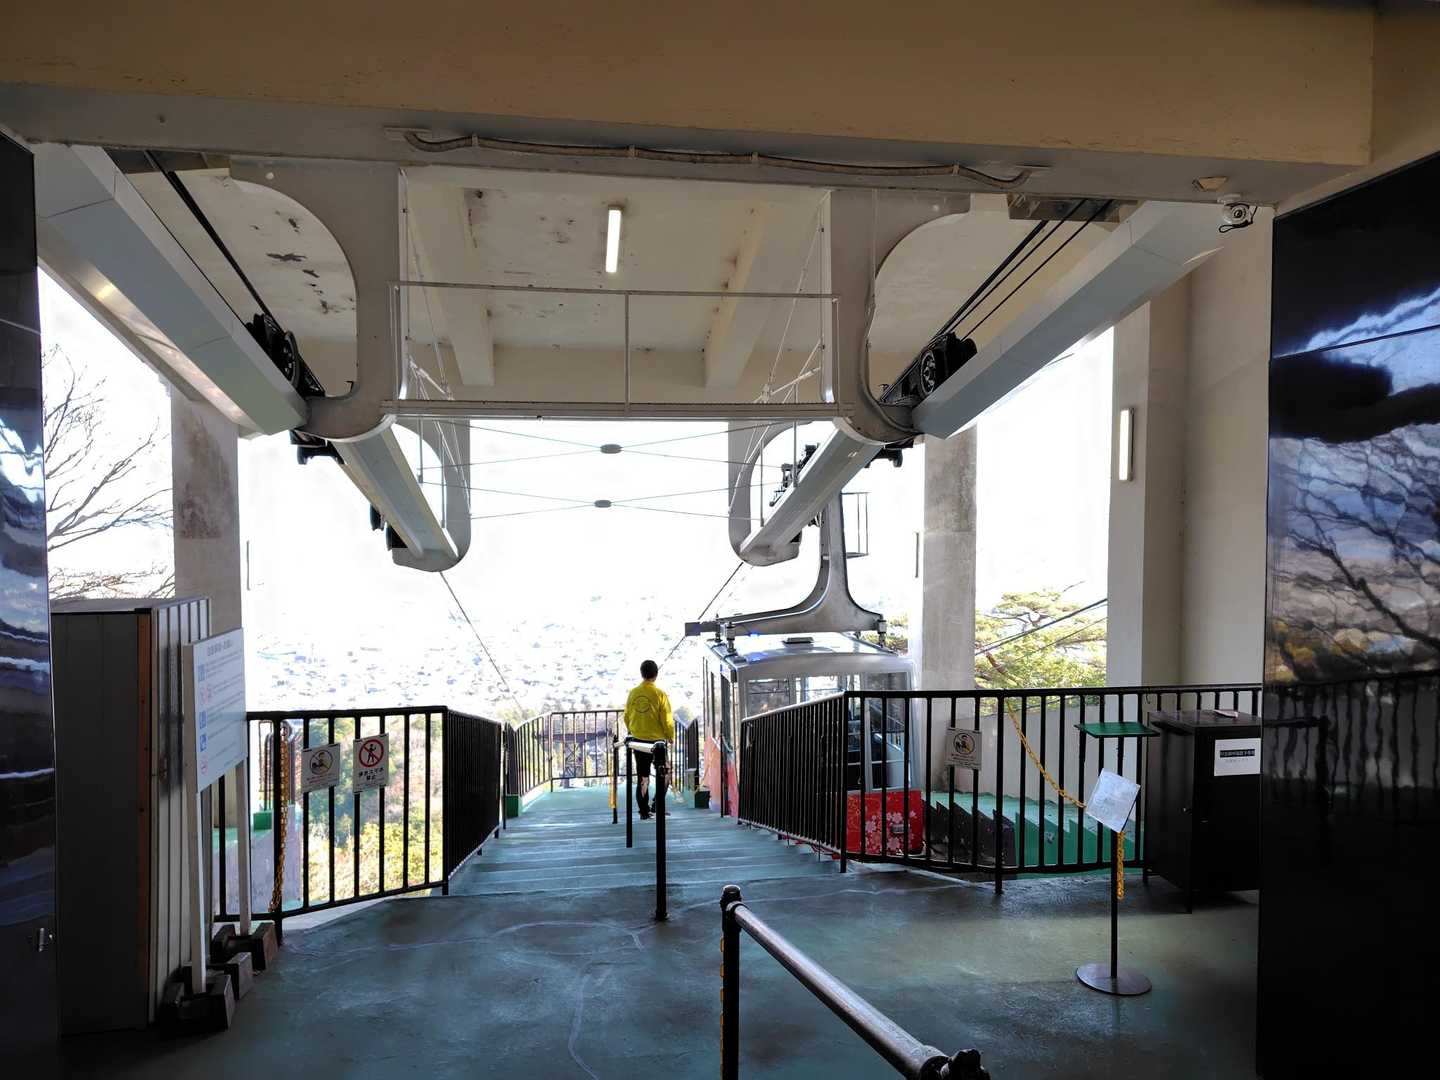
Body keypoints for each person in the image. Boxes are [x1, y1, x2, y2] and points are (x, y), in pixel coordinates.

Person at [623, 659, 675, 820]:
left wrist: (633, 730)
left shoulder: (633, 693)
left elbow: (626, 716)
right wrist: (670, 736)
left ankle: (644, 811)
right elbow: (666, 719)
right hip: (657, 743)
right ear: (656, 674)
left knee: (643, 776)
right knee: (665, 773)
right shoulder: (660, 694)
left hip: (638, 740)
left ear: (642, 673)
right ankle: (657, 805)